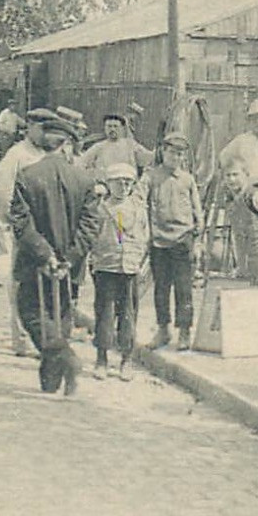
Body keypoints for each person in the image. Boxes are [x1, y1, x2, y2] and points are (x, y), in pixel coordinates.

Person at [8, 117, 102, 395]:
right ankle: (52, 380)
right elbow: (90, 227)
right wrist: (69, 258)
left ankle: (66, 359)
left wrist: (45, 254)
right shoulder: (84, 180)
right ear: (67, 146)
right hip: (68, 268)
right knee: (60, 316)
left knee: (31, 313)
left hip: (35, 264)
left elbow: (21, 224)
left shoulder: (27, 176)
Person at [0, 109, 56, 356]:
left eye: (47, 127)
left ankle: (45, 335)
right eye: (39, 127)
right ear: (28, 127)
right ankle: (21, 337)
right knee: (22, 283)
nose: (43, 132)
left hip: (49, 230)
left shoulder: (50, 154)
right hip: (25, 229)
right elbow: (2, 193)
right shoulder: (17, 155)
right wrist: (12, 223)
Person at [88, 163, 150, 380]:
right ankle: (101, 359)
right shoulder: (99, 209)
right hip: (106, 266)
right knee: (104, 313)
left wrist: (141, 262)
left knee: (128, 315)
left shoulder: (138, 209)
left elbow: (144, 237)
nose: (123, 186)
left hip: (130, 268)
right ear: (108, 184)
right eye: (118, 182)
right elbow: (91, 237)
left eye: (128, 182)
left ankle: (126, 360)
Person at [145, 132, 203, 351]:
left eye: (179, 154)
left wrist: (197, 241)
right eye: (171, 152)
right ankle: (163, 330)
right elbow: (143, 204)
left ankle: (185, 331)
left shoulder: (188, 180)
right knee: (161, 288)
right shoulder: (151, 176)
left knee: (184, 288)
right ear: (163, 151)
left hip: (182, 240)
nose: (175, 157)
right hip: (159, 241)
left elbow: (198, 212)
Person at [225, 162, 258, 286]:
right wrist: (241, 267)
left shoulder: (257, 196)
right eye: (227, 175)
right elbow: (238, 238)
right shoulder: (232, 204)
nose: (231, 179)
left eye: (235, 174)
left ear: (246, 175)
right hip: (253, 268)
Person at [218, 99, 258, 181]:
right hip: (248, 187)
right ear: (249, 121)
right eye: (254, 119)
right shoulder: (241, 141)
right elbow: (223, 158)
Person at [78, 113, 153, 179]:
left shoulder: (131, 145)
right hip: (106, 187)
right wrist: (94, 174)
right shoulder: (98, 147)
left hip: (128, 186)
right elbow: (81, 163)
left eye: (115, 126)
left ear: (121, 128)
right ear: (105, 128)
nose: (112, 129)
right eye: (109, 126)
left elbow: (147, 158)